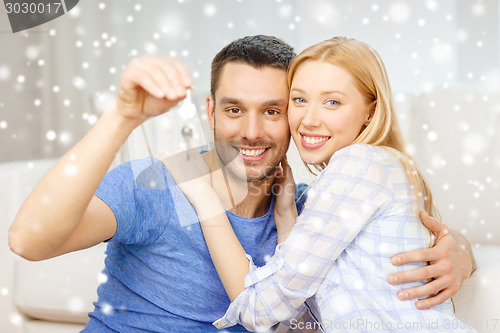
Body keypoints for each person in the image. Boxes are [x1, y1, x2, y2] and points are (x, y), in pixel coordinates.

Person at [8, 35, 474, 332]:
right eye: (234, 109)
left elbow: (395, 243)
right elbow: (29, 241)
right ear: (210, 111)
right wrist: (124, 116)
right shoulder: (155, 184)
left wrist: (461, 254)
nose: (252, 131)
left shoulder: (312, 210)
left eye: (273, 110)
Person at [180, 37, 476, 332]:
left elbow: (262, 311)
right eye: (299, 100)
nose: (309, 119)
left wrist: (205, 199)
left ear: (370, 112)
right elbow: (297, 320)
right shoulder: (380, 167)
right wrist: (287, 220)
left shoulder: (357, 164)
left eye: (332, 102)